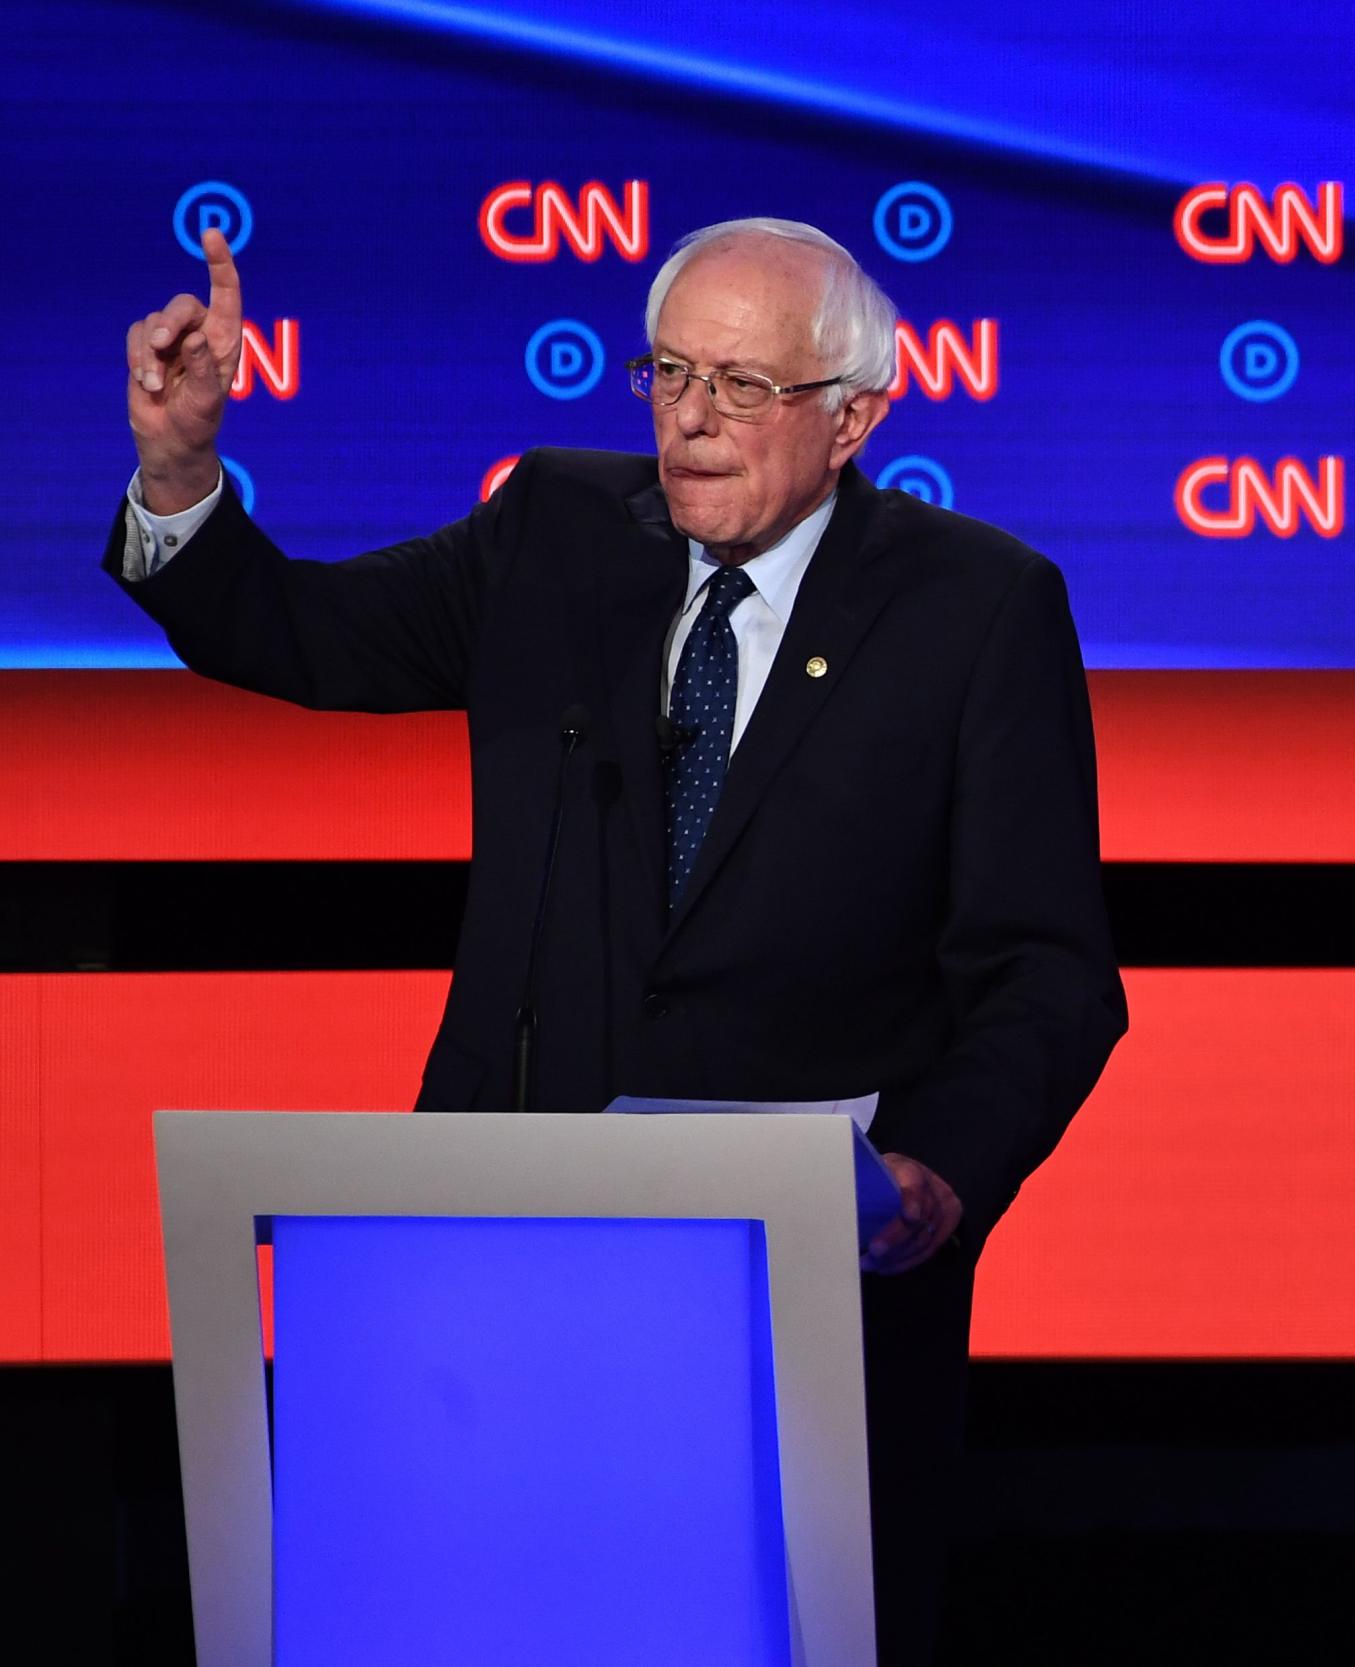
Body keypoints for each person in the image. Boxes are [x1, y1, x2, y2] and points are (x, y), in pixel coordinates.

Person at [114, 217, 1128, 1664]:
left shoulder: (978, 607)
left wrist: (940, 1170)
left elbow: (1048, 969)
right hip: (498, 1266)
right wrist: (179, 470)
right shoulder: (556, 533)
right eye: (668, 373)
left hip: (801, 1304)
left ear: (854, 416)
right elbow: (295, 629)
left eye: (744, 385)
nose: (694, 418)